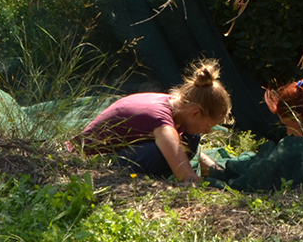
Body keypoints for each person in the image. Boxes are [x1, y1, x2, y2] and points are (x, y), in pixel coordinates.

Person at [77, 60, 231, 183]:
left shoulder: (174, 105)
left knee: (191, 138)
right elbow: (186, 177)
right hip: (93, 159)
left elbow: (189, 151)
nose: (208, 131)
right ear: (196, 113)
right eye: (209, 125)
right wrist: (203, 184)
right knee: (159, 154)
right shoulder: (162, 123)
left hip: (123, 148)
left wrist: (216, 171)